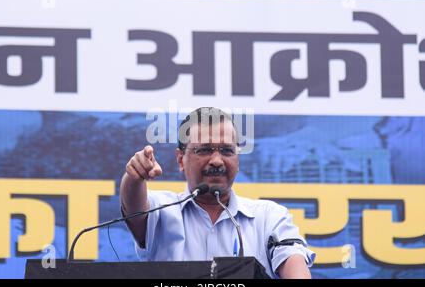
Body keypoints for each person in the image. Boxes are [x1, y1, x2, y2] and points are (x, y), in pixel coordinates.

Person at [120, 107, 315, 278]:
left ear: (238, 160)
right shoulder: (162, 210)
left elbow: (293, 259)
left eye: (227, 151)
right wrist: (134, 177)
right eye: (204, 150)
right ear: (181, 160)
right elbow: (134, 206)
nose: (217, 160)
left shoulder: (268, 217)